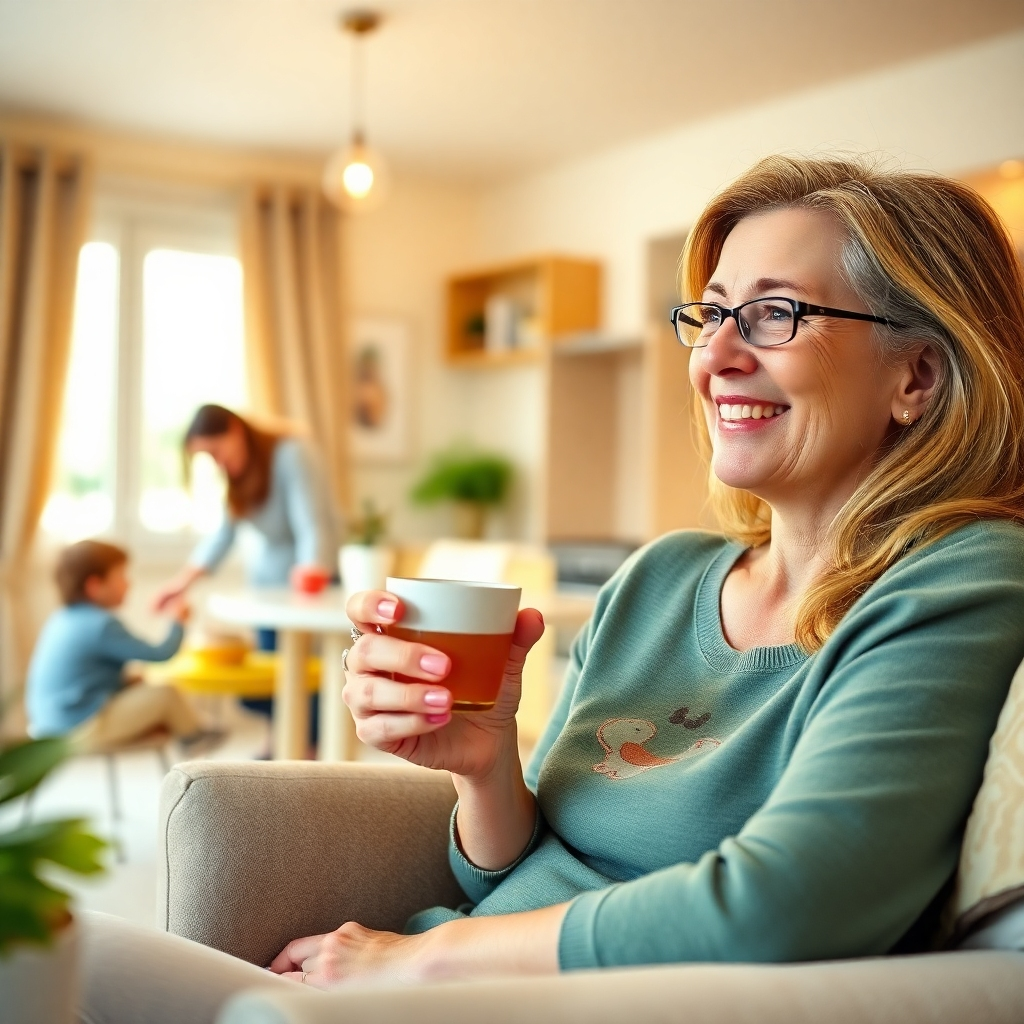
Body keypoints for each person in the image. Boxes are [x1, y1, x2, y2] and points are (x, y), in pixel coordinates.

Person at [79, 156, 1024, 1020]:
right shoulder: (662, 577)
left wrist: (421, 962)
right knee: (58, 952)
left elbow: (792, 904)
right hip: (420, 978)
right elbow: (514, 872)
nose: (716, 356)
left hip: (505, 998)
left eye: (776, 314)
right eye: (711, 312)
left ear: (920, 375)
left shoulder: (962, 574)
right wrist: (485, 763)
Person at [152, 405, 339, 749]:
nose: (216, 462)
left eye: (215, 451)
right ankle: (277, 744)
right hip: (270, 587)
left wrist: (312, 572)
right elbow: (223, 536)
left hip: (312, 583)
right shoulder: (239, 473)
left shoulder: (293, 454)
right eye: (207, 457)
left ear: (236, 431)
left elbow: (312, 523)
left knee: (307, 675)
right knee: (271, 676)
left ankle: (307, 753)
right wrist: (181, 583)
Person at [26, 540, 214, 754]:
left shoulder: (63, 618)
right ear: (94, 586)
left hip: (48, 726)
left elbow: (88, 679)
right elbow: (161, 653)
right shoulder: (101, 625)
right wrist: (178, 622)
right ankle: (194, 737)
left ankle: (190, 731)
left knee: (137, 679)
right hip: (77, 730)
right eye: (121, 576)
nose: (129, 583)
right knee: (165, 693)